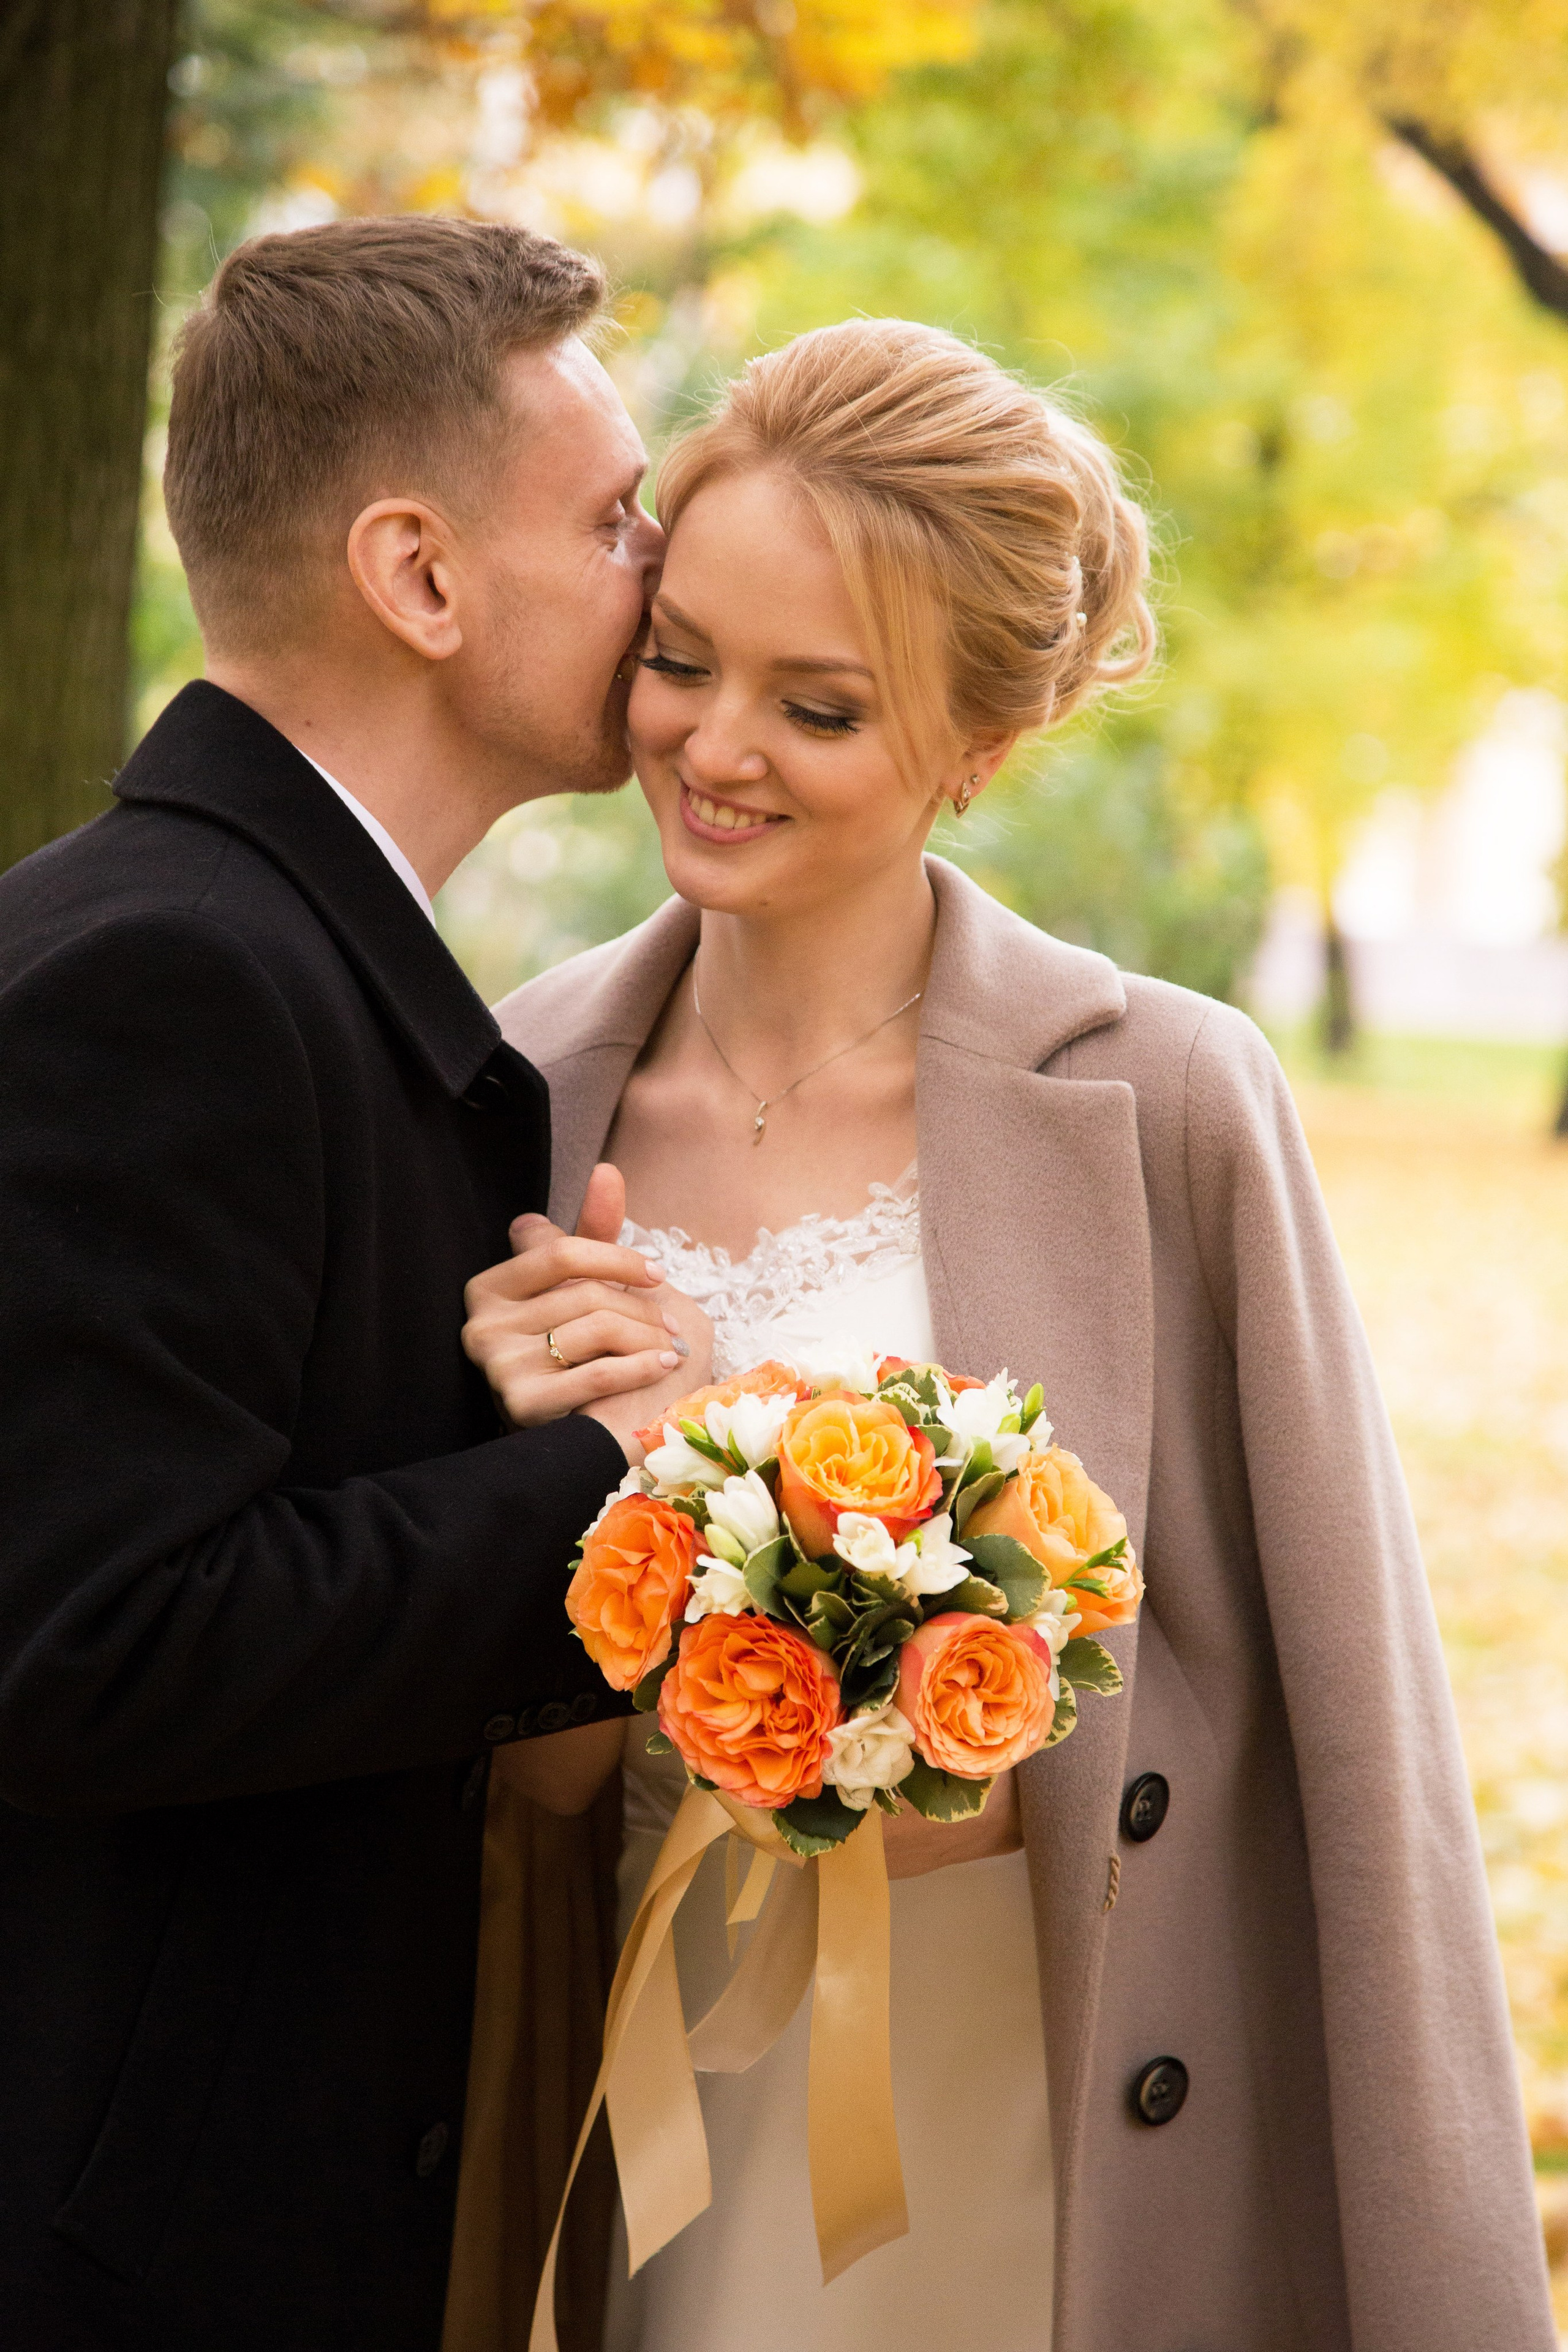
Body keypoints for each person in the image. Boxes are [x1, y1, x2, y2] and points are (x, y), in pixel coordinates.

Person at [471, 318, 1555, 2351]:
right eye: (681, 658)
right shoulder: (508, 1091)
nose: (713, 747)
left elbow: (1360, 1718)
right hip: (645, 2074)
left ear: (980, 746)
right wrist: (533, 1483)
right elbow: (507, 1778)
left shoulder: (1173, 1101)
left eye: (821, 706)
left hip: (1062, 2109)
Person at [0, 217, 711, 2352]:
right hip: (138, 2248)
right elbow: (84, 1646)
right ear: (417, 577)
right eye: (608, 518)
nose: (657, 574)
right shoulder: (172, 976)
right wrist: (616, 1481)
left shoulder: (266, 947)